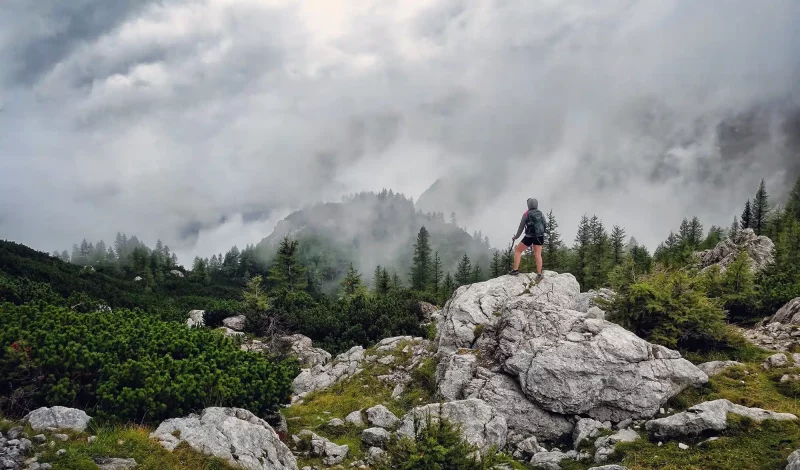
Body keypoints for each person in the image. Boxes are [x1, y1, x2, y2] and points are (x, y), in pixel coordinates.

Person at [509, 198, 545, 282]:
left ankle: (515, 270)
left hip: (529, 236)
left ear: (528, 205)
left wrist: (516, 237)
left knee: (518, 250)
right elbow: (545, 225)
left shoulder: (526, 214)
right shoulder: (541, 213)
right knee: (538, 254)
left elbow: (521, 228)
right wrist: (542, 234)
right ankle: (539, 274)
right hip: (540, 236)